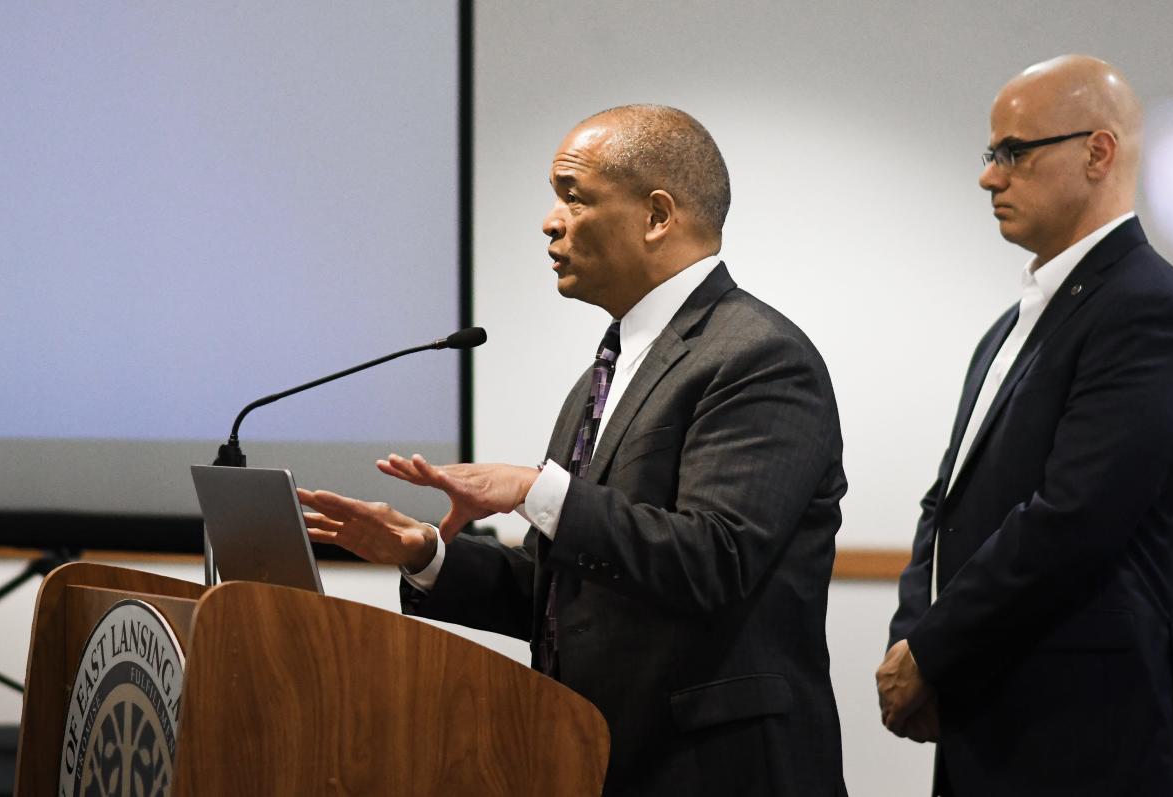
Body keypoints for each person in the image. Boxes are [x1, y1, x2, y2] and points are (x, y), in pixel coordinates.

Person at [298, 104, 848, 796]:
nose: (549, 220)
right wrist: (424, 553)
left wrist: (535, 490)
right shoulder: (605, 372)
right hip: (592, 755)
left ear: (656, 215)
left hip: (713, 768)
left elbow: (715, 557)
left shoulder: (759, 356)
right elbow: (567, 590)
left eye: (572, 195)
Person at [877, 55, 1173, 796]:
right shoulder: (1010, 326)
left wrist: (931, 648)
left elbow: (1075, 518)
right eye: (990, 154)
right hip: (989, 717)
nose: (989, 176)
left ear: (1098, 151)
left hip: (1090, 738)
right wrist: (912, 637)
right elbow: (947, 503)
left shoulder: (1151, 308)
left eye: (1013, 152)